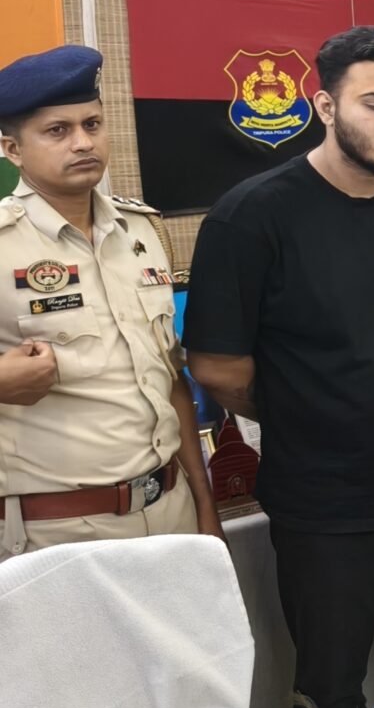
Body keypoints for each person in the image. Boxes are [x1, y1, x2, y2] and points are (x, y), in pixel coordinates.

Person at [186, 27, 374, 708]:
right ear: (324, 106)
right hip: (327, 500)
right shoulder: (253, 215)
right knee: (329, 688)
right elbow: (217, 366)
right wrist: (316, 406)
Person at [0, 45, 220, 556]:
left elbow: (170, 381)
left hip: (170, 509)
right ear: (12, 149)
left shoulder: (141, 229)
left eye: (92, 124)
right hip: (58, 531)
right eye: (58, 130)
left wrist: (204, 508)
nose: (83, 142)